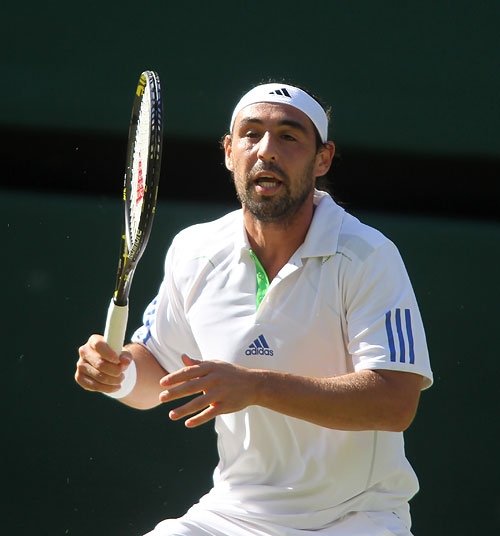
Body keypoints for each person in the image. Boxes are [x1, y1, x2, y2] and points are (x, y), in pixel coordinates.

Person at [75, 82, 433, 536]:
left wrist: (258, 385)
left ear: (322, 159)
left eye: (289, 136)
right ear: (229, 151)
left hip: (356, 518)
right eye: (251, 134)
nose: (266, 150)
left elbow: (394, 402)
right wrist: (118, 374)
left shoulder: (369, 257)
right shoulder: (194, 252)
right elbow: (158, 373)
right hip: (234, 515)